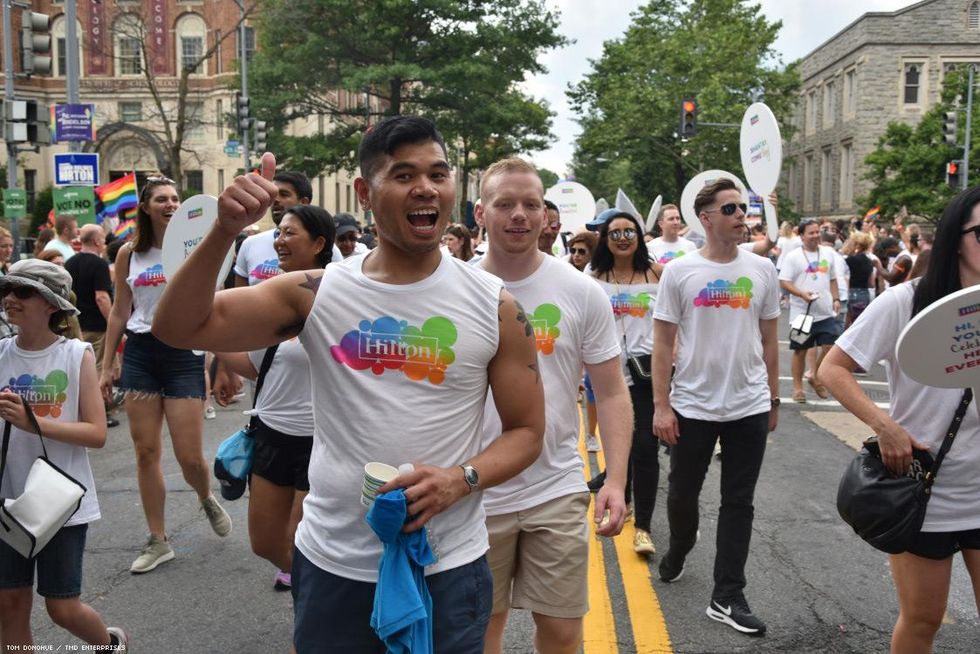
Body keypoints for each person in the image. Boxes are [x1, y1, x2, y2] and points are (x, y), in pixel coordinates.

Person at [152, 115, 545, 653]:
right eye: (403, 175)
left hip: (447, 566)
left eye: (438, 173)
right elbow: (177, 327)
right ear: (365, 192)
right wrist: (224, 231)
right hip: (335, 563)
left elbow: (526, 432)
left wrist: (462, 478)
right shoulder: (315, 293)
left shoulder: (494, 304)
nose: (426, 187)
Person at [475, 159, 630, 654]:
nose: (519, 215)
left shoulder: (580, 290)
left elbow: (610, 391)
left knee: (562, 631)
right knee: (480, 631)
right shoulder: (453, 287)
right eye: (505, 204)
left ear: (547, 215)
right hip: (475, 491)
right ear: (481, 213)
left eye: (531, 204)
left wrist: (616, 479)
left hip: (555, 486)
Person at [820, 186, 980, 654]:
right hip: (926, 490)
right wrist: (886, 427)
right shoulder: (906, 303)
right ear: (955, 239)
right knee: (923, 619)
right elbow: (833, 368)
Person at [652, 178, 779, 637]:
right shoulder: (680, 272)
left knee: (738, 501)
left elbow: (768, 337)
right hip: (692, 405)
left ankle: (727, 594)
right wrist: (661, 405)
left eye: (742, 208)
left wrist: (772, 397)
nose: (741, 216)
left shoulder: (761, 269)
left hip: (747, 403)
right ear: (705, 219)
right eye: (730, 209)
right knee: (683, 494)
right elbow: (663, 342)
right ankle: (681, 545)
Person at [99, 175, 232, 575]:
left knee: (189, 457)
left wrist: (222, 360)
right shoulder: (127, 254)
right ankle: (158, 540)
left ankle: (205, 495)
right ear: (145, 206)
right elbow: (121, 310)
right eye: (162, 199)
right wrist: (107, 364)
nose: (171, 204)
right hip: (140, 351)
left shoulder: (195, 249)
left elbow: (216, 303)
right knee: (145, 452)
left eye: (175, 198)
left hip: (182, 352)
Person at [0, 260, 128, 652]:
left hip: (60, 504)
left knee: (61, 607)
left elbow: (96, 433)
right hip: (8, 499)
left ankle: (109, 644)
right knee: (9, 604)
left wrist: (32, 422)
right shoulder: (2, 352)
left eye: (23, 292)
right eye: (7, 290)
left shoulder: (76, 354)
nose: (10, 299)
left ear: (51, 304)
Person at [215, 205, 334, 596]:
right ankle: (324, 593)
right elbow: (254, 364)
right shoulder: (268, 299)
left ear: (318, 243)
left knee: (304, 544)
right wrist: (213, 353)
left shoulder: (340, 298)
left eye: (290, 233)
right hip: (271, 435)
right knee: (264, 543)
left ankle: (321, 615)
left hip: (323, 442)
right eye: (278, 233)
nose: (279, 240)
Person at [589, 210, 661, 557]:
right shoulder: (594, 277)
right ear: (605, 239)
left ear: (639, 236)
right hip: (609, 377)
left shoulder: (656, 273)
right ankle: (623, 497)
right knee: (622, 446)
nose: (622, 238)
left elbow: (672, 323)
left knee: (646, 447)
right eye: (615, 232)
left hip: (648, 375)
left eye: (629, 231)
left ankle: (644, 528)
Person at [778, 218, 841, 403]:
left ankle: (815, 376)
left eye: (817, 232)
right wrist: (800, 293)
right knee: (801, 350)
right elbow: (784, 281)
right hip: (802, 314)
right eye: (811, 233)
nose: (815, 236)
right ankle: (798, 388)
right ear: (802, 235)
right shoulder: (793, 256)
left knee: (830, 347)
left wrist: (836, 298)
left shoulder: (828, 253)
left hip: (825, 312)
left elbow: (832, 279)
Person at [65, 224, 118, 428]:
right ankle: (100, 413)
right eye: (103, 238)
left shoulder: (69, 263)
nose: (104, 242)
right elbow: (102, 297)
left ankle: (81, 412)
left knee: (79, 368)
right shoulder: (99, 264)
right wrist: (113, 323)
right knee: (97, 369)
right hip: (98, 325)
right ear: (96, 241)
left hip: (75, 324)